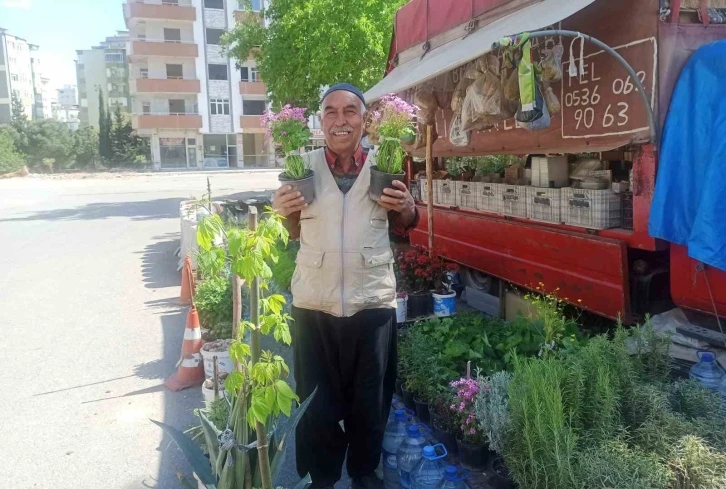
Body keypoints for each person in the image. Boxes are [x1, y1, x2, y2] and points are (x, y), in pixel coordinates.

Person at [272, 84, 418, 489]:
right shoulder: (300, 166)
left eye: (350, 111)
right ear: (321, 122)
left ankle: (364, 472)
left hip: (371, 300)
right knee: (315, 402)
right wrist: (283, 213)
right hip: (314, 301)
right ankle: (320, 477)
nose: (341, 120)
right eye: (331, 112)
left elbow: (406, 222)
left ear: (365, 120)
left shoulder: (384, 162)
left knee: (369, 400)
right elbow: (292, 229)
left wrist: (407, 208)